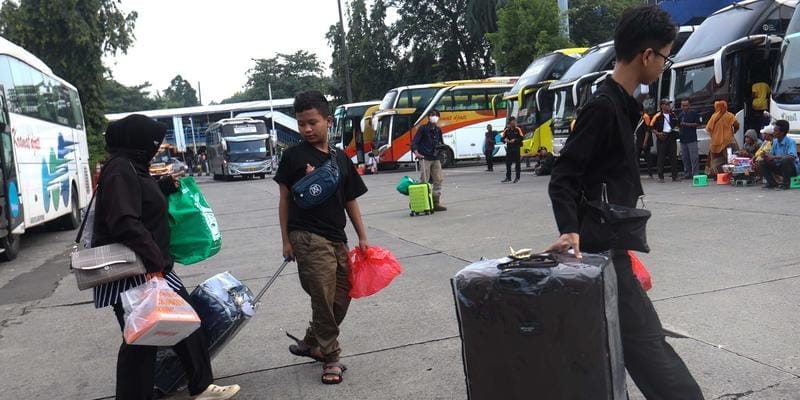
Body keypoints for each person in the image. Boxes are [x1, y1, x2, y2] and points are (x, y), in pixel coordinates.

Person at [546, 6, 704, 399]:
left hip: (611, 247)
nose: (666, 65)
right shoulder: (604, 107)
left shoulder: (622, 104)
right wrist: (570, 229)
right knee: (650, 349)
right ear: (647, 55)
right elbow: (564, 176)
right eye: (666, 56)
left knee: (619, 349)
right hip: (600, 255)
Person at [93, 114, 240, 400]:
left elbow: (139, 201)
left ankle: (201, 386)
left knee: (184, 322)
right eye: (153, 143)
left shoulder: (131, 167)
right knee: (142, 338)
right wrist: (154, 261)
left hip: (151, 265)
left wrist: (162, 188)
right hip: (135, 270)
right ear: (138, 142)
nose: (156, 148)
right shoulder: (120, 169)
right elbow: (124, 220)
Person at [274, 91, 369, 384]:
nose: (306, 129)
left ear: (328, 121)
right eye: (301, 124)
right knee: (324, 300)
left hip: (337, 238)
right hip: (307, 238)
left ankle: (312, 340)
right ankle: (330, 357)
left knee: (342, 297)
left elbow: (350, 199)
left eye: (312, 122)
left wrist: (362, 237)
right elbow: (285, 199)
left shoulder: (340, 158)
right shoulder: (292, 156)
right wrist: (286, 240)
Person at [411, 109, 447, 211]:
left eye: (436, 115)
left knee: (438, 179)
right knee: (424, 180)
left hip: (435, 158)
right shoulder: (423, 129)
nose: (434, 117)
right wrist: (417, 153)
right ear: (428, 117)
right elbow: (414, 143)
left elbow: (441, 143)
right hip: (425, 158)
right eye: (432, 115)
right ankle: (424, 202)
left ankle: (436, 203)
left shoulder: (438, 130)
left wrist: (442, 149)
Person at [759, 119, 799, 190]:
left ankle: (786, 184)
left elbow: (792, 157)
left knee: (785, 160)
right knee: (762, 162)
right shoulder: (775, 142)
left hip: (792, 169)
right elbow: (771, 156)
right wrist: (766, 156)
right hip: (780, 166)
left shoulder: (790, 142)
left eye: (775, 131)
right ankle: (772, 183)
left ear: (782, 133)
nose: (773, 132)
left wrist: (774, 157)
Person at [705, 100, 740, 176]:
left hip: (715, 143)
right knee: (731, 159)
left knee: (716, 160)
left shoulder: (713, 116)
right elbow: (736, 125)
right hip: (728, 141)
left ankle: (719, 175)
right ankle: (733, 174)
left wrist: (714, 136)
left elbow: (708, 129)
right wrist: (734, 132)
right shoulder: (730, 115)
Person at [651, 98, 679, 182]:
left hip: (671, 136)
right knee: (661, 158)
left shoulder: (673, 115)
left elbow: (677, 125)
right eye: (667, 104)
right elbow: (651, 127)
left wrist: (676, 130)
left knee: (673, 157)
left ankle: (675, 176)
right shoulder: (658, 116)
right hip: (662, 137)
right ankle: (661, 176)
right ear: (662, 106)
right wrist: (658, 134)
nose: (668, 106)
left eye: (669, 104)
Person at [678, 99, 701, 179]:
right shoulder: (680, 115)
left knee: (694, 157)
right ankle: (687, 173)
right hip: (683, 139)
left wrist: (687, 124)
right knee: (685, 158)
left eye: (686, 105)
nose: (684, 107)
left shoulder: (694, 113)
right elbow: (678, 125)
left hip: (692, 139)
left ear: (689, 105)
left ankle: (695, 174)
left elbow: (698, 124)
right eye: (683, 105)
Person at [501, 117, 523, 183]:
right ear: (510, 122)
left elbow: (522, 138)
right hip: (509, 149)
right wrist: (505, 140)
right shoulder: (507, 130)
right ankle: (508, 178)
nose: (514, 122)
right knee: (508, 163)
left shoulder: (518, 129)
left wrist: (515, 140)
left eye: (515, 121)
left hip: (516, 148)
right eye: (513, 121)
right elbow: (502, 138)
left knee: (517, 163)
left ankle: (517, 178)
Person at [635, 109, 655, 178]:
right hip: (638, 140)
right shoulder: (638, 117)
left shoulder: (646, 117)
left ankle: (650, 173)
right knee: (636, 157)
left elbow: (647, 131)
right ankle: (637, 173)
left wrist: (645, 141)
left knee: (648, 157)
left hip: (645, 140)